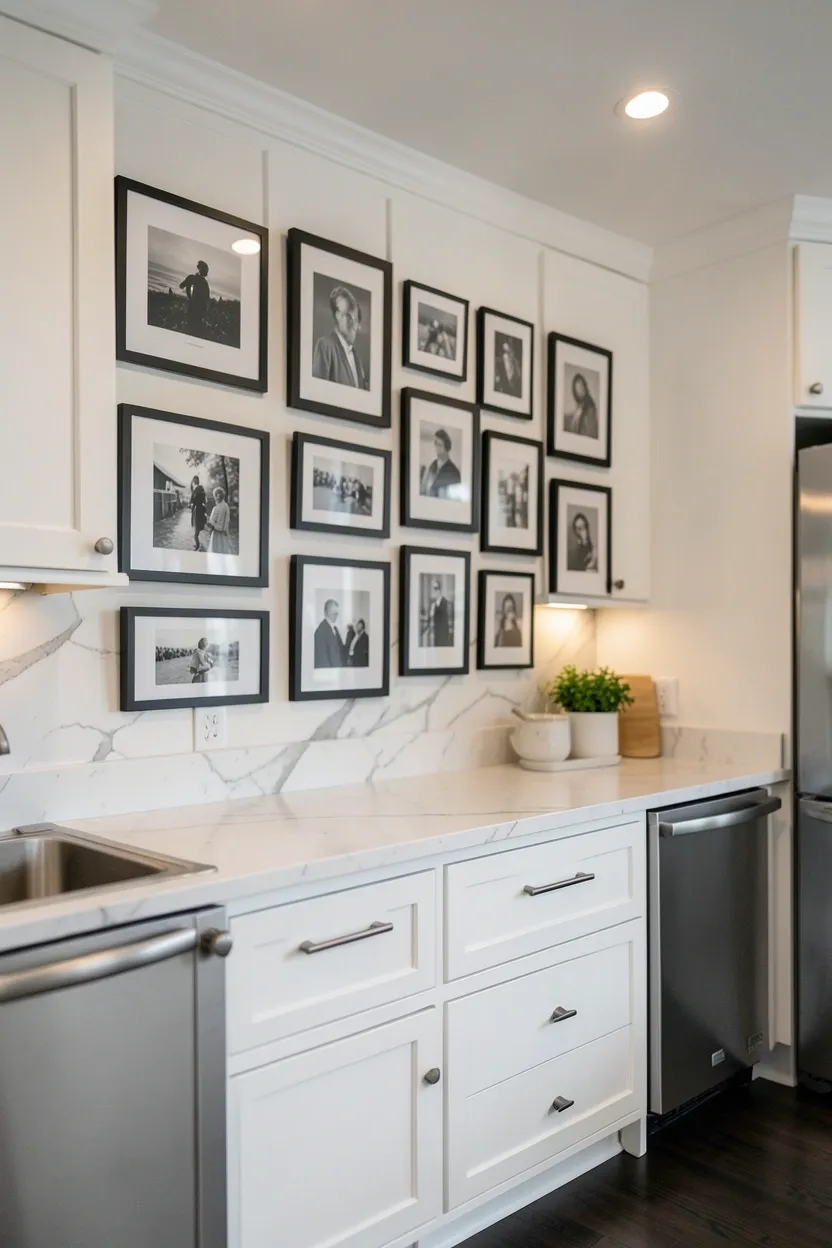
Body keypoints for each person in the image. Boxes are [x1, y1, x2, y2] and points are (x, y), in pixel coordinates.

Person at [312, 285, 369, 389]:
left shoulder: (356, 357)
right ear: (338, 316)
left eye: (355, 318)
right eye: (348, 315)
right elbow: (317, 391)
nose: (353, 324)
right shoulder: (325, 346)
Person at [420, 429, 461, 498]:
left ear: (447, 447)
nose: (436, 448)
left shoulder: (454, 472)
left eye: (439, 445)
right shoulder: (433, 465)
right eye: (435, 444)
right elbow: (425, 487)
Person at [180, 260, 210, 336]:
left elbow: (181, 286)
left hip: (193, 308)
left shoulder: (194, 278)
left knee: (190, 327)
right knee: (194, 329)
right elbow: (206, 300)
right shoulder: (204, 283)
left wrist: (189, 296)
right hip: (199, 310)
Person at [564, 372, 598, 439]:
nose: (579, 390)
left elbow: (590, 432)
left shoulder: (590, 406)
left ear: (585, 387)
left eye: (581, 386)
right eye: (577, 388)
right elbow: (573, 419)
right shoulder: (580, 406)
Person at [314, 599, 345, 668]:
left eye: (336, 613)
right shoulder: (320, 631)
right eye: (333, 612)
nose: (336, 616)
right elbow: (321, 661)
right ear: (326, 612)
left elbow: (340, 650)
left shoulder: (335, 629)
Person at [206, 486, 232, 554]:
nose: (214, 498)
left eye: (215, 495)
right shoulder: (226, 506)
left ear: (217, 496)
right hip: (225, 534)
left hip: (217, 534)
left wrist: (207, 520)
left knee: (216, 552)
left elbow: (211, 525)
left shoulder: (216, 508)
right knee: (224, 551)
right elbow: (227, 520)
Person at [429, 579, 454, 647]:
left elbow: (448, 619)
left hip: (443, 633)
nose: (435, 591)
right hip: (436, 632)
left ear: (440, 590)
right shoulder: (433, 603)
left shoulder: (445, 602)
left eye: (436, 588)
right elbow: (431, 616)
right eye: (434, 589)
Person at [190, 476, 207, 552]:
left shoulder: (198, 488)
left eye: (195, 480)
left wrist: (193, 502)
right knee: (197, 528)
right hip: (199, 509)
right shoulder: (197, 488)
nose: (195, 481)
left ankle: (198, 545)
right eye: (194, 480)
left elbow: (194, 499)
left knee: (197, 531)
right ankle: (198, 544)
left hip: (199, 510)